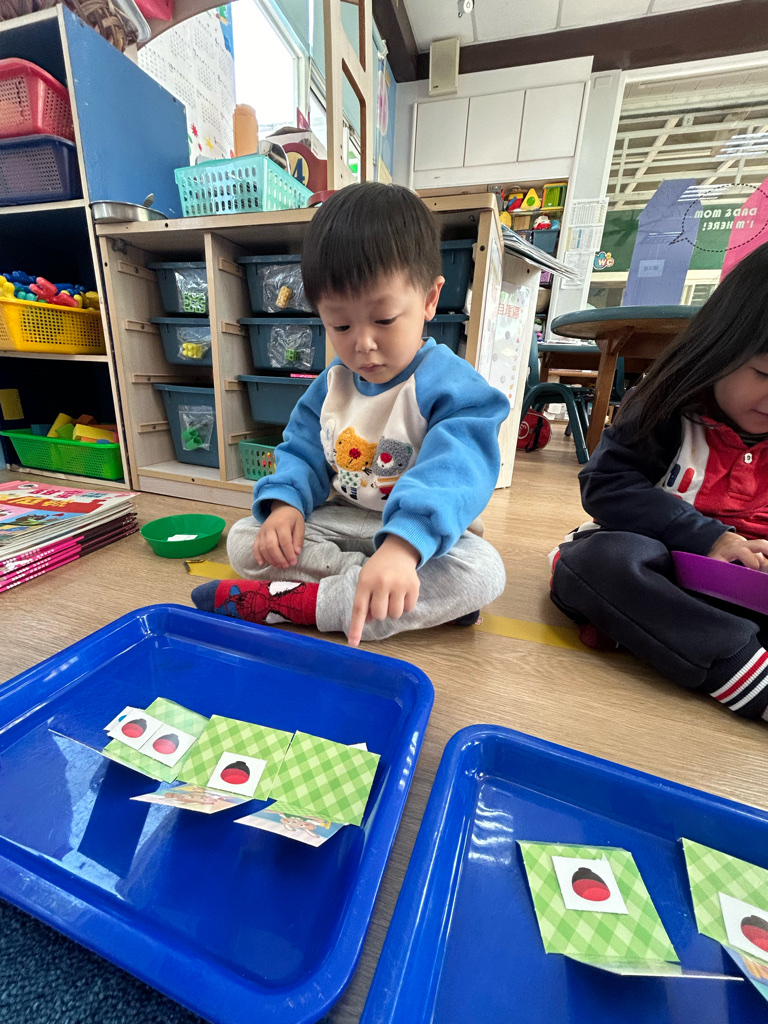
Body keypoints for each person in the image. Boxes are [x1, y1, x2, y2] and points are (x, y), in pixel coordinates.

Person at [193, 182, 508, 646]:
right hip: (340, 520)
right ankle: (381, 594)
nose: (363, 343)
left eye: (384, 319)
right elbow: (301, 449)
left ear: (429, 299)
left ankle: (304, 603)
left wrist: (403, 549)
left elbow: (456, 472)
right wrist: (285, 506)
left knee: (483, 570)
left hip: (414, 534)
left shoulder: (453, 387)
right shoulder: (331, 383)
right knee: (245, 538)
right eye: (340, 325)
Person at [550, 241, 768, 720]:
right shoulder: (666, 406)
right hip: (657, 565)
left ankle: (646, 634)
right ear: (721, 347)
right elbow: (606, 485)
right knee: (597, 562)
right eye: (763, 374)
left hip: (737, 593)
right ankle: (735, 666)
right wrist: (709, 538)